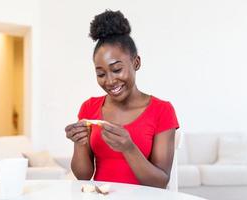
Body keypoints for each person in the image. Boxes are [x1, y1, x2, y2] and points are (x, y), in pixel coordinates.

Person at [65, 10, 179, 188]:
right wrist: (79, 143)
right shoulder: (89, 107)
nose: (110, 81)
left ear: (136, 62)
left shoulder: (162, 110)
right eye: (101, 74)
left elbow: (160, 182)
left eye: (117, 69)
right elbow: (83, 176)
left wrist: (128, 148)